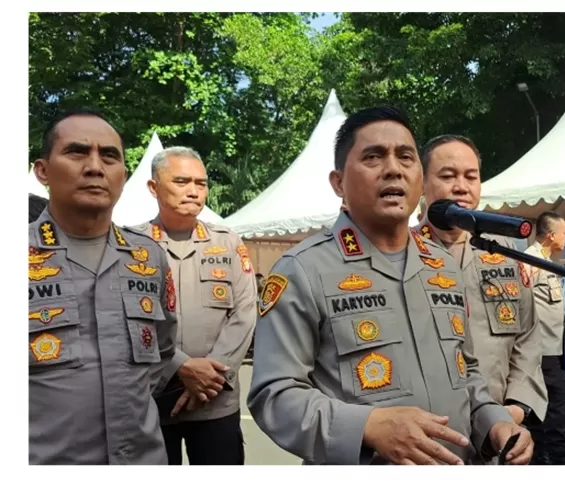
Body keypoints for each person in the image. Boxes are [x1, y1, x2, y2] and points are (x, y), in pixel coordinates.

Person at [247, 106, 533, 465]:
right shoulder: (303, 269)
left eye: (405, 157)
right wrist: (366, 425)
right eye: (373, 157)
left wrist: (496, 422)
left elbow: (467, 371)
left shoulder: (440, 264)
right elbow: (274, 394)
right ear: (338, 183)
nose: (393, 169)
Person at [29, 109, 177, 464]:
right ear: (43, 171)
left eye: (109, 156)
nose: (95, 167)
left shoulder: (148, 257)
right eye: (77, 152)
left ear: (123, 176)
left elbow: (163, 352)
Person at [416, 135, 547, 459]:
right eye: (448, 176)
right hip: (427, 436)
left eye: (471, 176)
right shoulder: (401, 254)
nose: (461, 186)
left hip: (497, 434)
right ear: (421, 183)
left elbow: (528, 338)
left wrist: (515, 408)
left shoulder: (504, 257)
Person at [130, 146, 257, 465]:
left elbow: (245, 312)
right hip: (155, 399)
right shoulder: (133, 247)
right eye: (182, 181)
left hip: (217, 400)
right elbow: (130, 320)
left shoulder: (227, 241)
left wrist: (212, 375)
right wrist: (181, 366)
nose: (193, 191)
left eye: (201, 183)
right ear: (153, 187)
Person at [523, 212, 565, 465]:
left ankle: (543, 454)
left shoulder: (546, 261)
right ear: (551, 235)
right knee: (554, 403)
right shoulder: (530, 261)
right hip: (540, 349)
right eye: (564, 233)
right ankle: (553, 456)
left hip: (552, 347)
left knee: (548, 402)